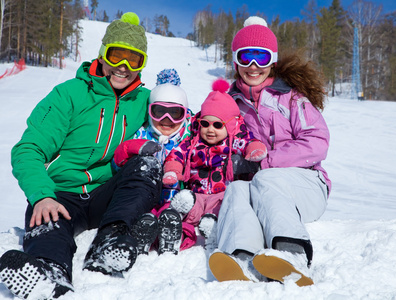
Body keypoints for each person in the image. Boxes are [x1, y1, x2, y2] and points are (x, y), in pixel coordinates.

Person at [0, 12, 163, 299]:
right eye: (116, 56)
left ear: (142, 64)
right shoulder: (69, 94)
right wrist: (42, 195)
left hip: (106, 195)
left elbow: (179, 124)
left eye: (133, 59)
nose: (123, 67)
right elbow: (28, 149)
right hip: (62, 194)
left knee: (146, 164)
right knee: (49, 225)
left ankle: (110, 239)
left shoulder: (143, 100)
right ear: (102, 55)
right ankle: (48, 273)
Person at [208, 16, 331, 287]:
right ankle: (241, 256)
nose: (253, 67)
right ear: (235, 60)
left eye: (261, 58)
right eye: (246, 57)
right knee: (237, 189)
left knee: (265, 178)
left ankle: (293, 254)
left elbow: (317, 141)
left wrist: (264, 164)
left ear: (272, 61)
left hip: (306, 185)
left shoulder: (291, 98)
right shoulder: (231, 104)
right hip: (258, 190)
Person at [162, 78, 267, 251]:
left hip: (220, 195)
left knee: (225, 204)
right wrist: (173, 171)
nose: (210, 130)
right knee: (190, 201)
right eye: (205, 124)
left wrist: (254, 149)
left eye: (218, 125)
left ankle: (212, 223)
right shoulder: (193, 142)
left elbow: (247, 142)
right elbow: (177, 155)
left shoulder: (232, 143)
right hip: (196, 193)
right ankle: (179, 213)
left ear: (230, 126)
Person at [113, 68, 196, 255]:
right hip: (144, 195)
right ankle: (143, 230)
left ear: (185, 115)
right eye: (159, 112)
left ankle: (173, 232)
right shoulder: (141, 134)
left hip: (174, 198)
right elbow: (117, 163)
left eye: (175, 113)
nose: (166, 120)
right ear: (150, 112)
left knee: (174, 214)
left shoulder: (188, 139)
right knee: (140, 211)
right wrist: (130, 149)